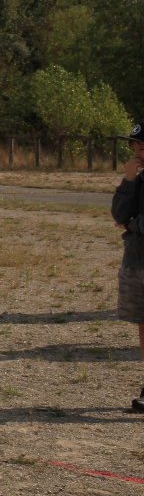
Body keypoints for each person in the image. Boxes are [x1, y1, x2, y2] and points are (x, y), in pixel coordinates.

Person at [110, 122, 144, 412]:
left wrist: (131, 225)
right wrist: (129, 181)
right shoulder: (138, 179)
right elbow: (119, 215)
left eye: (142, 146)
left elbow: (130, 222)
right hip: (136, 261)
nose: (137, 151)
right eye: (134, 145)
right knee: (143, 324)